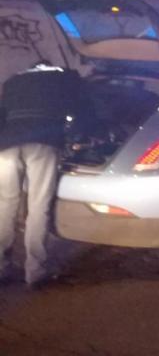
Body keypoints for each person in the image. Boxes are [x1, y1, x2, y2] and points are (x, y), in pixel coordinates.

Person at [0, 60, 87, 289]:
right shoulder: (67, 78)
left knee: (5, 205)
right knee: (39, 205)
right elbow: (83, 112)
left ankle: (1, 268)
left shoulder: (13, 81)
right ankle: (36, 272)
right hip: (43, 142)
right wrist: (84, 135)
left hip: (6, 144)